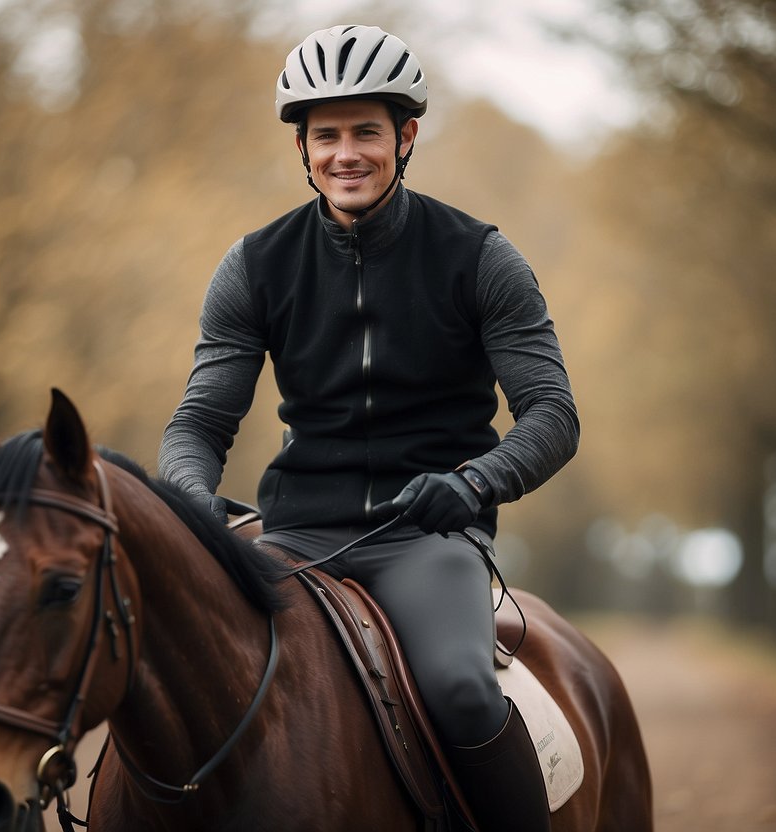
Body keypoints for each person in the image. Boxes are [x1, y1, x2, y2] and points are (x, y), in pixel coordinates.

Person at [159, 24, 578, 831]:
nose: (344, 153)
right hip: (293, 537)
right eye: (326, 136)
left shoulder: (481, 259)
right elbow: (200, 420)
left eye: (364, 132)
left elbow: (553, 416)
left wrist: (472, 483)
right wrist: (185, 497)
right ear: (302, 148)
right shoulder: (252, 266)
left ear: (405, 137)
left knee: (460, 689)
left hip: (427, 540)